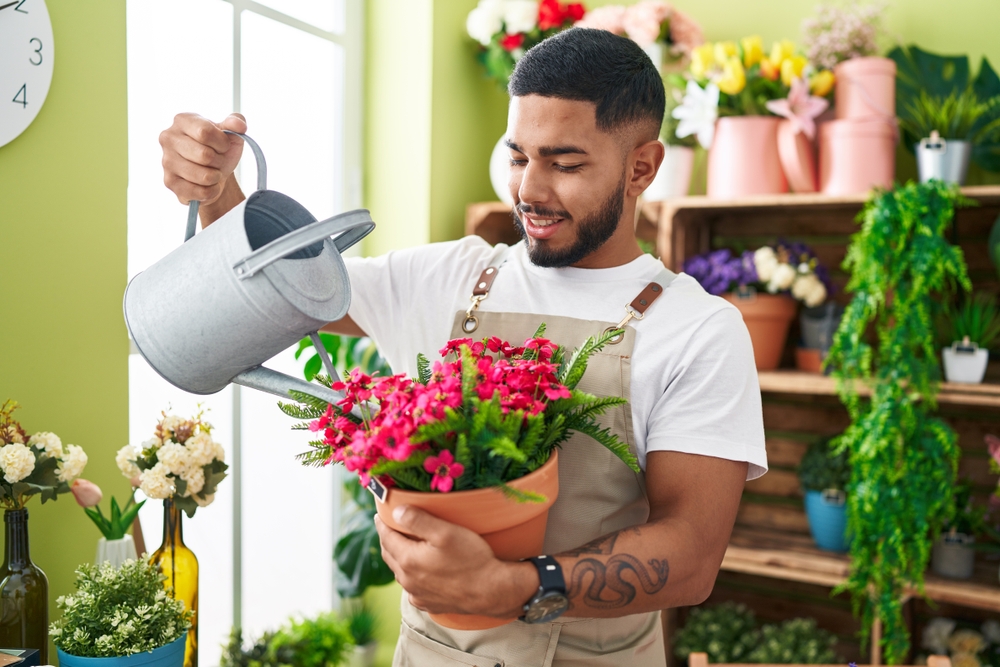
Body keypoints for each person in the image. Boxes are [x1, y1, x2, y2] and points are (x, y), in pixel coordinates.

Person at [158, 28, 767, 667]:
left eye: (564, 163)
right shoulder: (449, 277)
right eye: (517, 155)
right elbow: (275, 288)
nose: (529, 189)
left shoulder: (697, 329)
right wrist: (215, 192)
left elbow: (692, 554)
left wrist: (509, 587)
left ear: (641, 166)